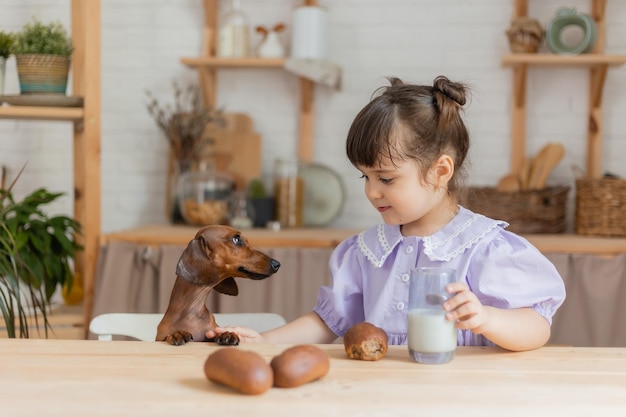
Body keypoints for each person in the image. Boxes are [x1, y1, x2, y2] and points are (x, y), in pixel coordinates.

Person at [208, 75, 566, 351]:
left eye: (387, 178)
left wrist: (489, 319)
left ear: (440, 171)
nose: (371, 191)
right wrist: (264, 341)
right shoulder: (365, 252)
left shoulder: (484, 248)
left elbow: (538, 326)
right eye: (366, 176)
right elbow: (327, 322)